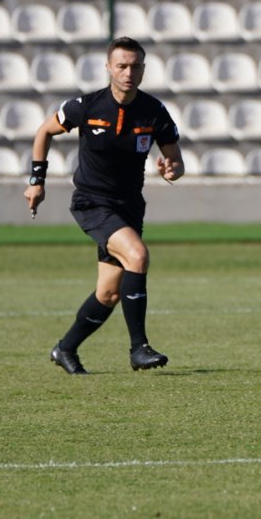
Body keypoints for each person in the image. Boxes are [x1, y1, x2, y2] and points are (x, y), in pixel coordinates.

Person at [24, 37, 184, 373]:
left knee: (109, 293)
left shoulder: (155, 112)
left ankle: (65, 349)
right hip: (91, 202)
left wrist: (171, 169)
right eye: (122, 66)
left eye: (135, 66)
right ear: (109, 68)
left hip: (129, 207)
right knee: (138, 256)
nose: (129, 72)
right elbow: (44, 132)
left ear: (143, 68)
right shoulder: (87, 106)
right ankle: (139, 348)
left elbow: (175, 162)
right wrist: (37, 181)